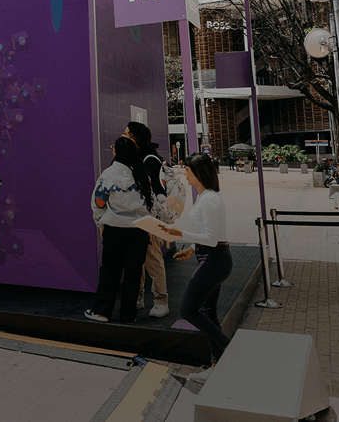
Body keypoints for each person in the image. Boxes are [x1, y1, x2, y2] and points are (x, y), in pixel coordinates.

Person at [164, 154, 233, 384]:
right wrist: (192, 249)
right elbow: (209, 234)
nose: (184, 173)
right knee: (207, 312)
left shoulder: (209, 200)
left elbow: (212, 239)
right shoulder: (206, 196)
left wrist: (180, 234)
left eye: (187, 170)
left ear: (198, 173)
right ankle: (217, 366)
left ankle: (229, 349)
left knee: (188, 310)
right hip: (212, 258)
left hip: (214, 260)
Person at [86, 137, 151, 324]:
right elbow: (151, 203)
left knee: (109, 271)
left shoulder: (108, 174)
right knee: (133, 273)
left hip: (114, 230)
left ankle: (101, 312)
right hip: (139, 230)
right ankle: (129, 316)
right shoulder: (141, 174)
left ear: (116, 152)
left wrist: (101, 224)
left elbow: (98, 203)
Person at [125, 122, 172, 318]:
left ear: (134, 138)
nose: (123, 135)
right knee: (136, 260)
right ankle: (138, 297)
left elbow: (158, 192)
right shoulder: (134, 156)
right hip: (134, 217)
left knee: (153, 260)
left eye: (126, 133)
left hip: (150, 218)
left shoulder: (149, 159)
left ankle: (161, 301)